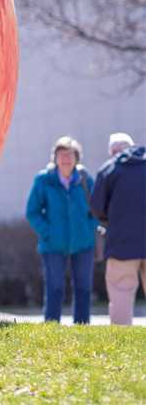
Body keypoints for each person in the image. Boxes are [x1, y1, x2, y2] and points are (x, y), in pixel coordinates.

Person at [25, 136, 98, 324]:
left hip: (83, 243)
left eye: (70, 155)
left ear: (76, 158)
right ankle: (51, 327)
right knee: (55, 287)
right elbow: (32, 212)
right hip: (52, 245)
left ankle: (82, 327)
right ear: (55, 158)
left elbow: (96, 209)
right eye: (61, 155)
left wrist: (89, 229)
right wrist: (48, 232)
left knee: (83, 287)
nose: (66, 159)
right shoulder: (43, 180)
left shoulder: (84, 178)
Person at [90, 132, 146, 325]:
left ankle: (123, 341)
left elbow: (96, 207)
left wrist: (112, 219)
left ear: (113, 151)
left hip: (121, 243)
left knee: (121, 291)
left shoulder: (109, 168)